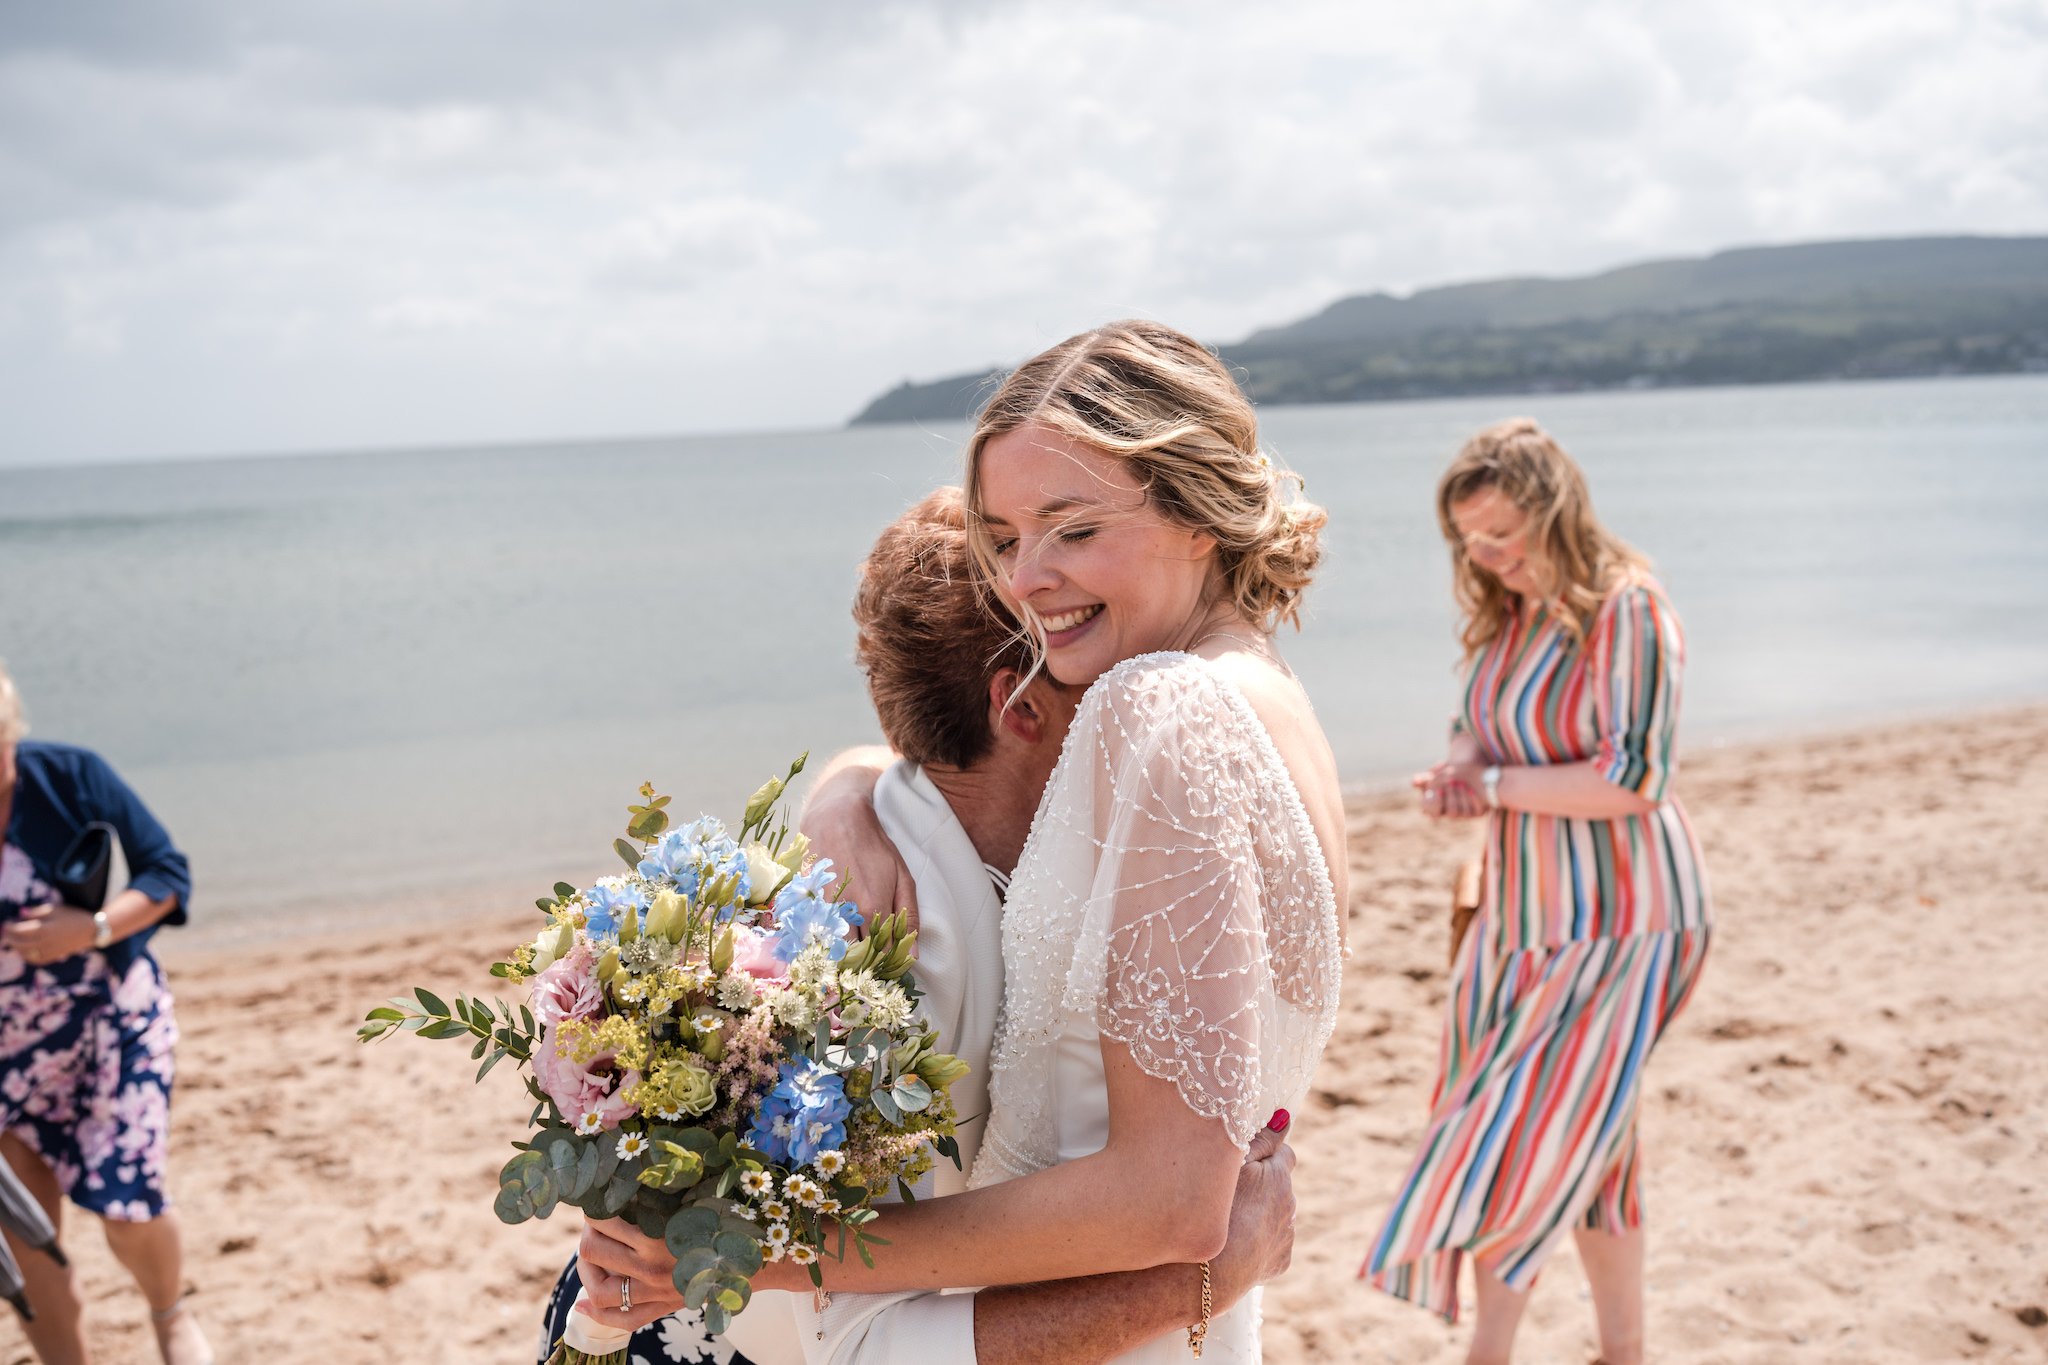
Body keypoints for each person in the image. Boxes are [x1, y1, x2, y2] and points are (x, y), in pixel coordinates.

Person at [582, 320, 1348, 1364]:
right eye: (1001, 538)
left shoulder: (1158, 709)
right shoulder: (1271, 705)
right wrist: (853, 788)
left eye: (1072, 529)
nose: (1024, 580)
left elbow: (1170, 1203)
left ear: (1197, 512)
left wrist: (759, 1249)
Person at [1360, 418, 1713, 1365]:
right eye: (1471, 540)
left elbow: (1635, 775)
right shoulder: (1507, 615)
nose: (1489, 555)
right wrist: (1460, 764)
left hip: (1626, 921)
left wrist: (1495, 787)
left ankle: (1490, 1353)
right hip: (1516, 917)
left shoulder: (1629, 611)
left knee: (1522, 1136)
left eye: (1504, 534)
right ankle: (1624, 1351)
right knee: (1594, 1145)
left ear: (1555, 512)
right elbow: (1478, 721)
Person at [0, 661, 212, 1365]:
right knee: (28, 1233)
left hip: (112, 1026)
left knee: (126, 1208)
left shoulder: (69, 774)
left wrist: (87, 928)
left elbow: (165, 872)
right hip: (8, 1056)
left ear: (11, 737)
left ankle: (169, 1313)